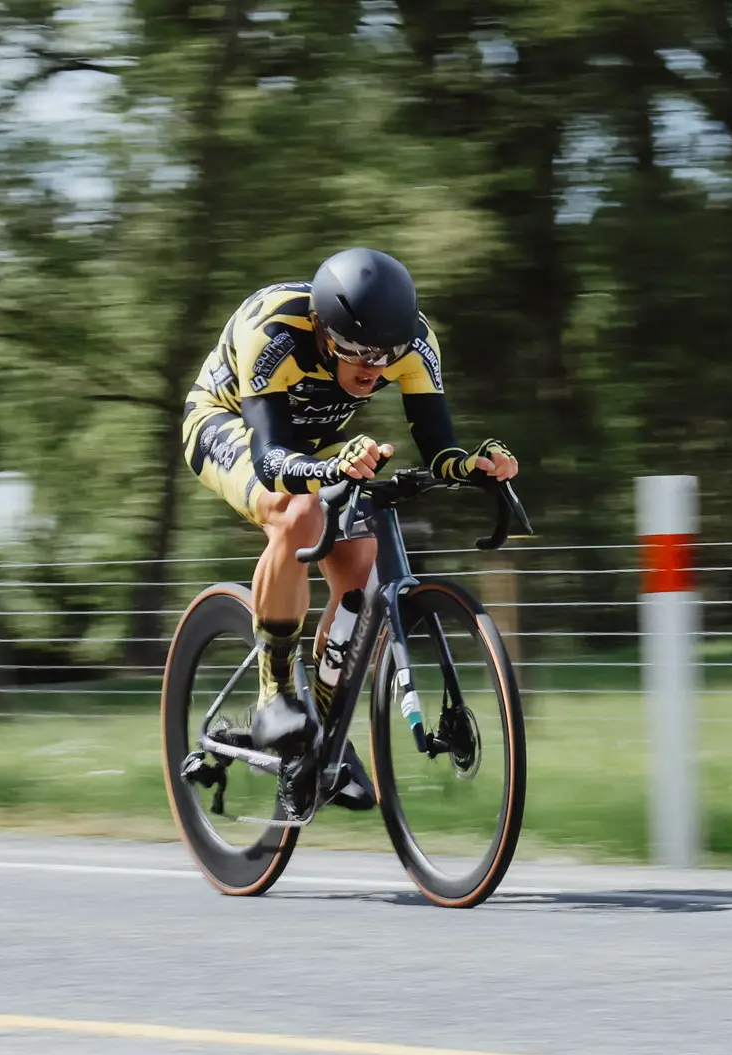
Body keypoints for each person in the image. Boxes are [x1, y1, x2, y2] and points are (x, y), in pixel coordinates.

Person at [180, 247, 517, 812]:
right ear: (321, 326)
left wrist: (471, 465)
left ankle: (321, 739)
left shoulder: (414, 343)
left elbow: (438, 445)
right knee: (298, 512)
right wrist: (325, 471)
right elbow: (270, 461)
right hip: (228, 423)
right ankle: (276, 693)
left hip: (314, 444)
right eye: (357, 352)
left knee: (361, 567)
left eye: (386, 355)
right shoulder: (276, 329)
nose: (374, 368)